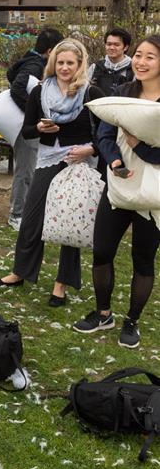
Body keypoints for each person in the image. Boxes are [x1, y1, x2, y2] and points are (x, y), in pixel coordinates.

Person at [0, 40, 102, 305]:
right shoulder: (40, 92)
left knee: (70, 222)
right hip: (48, 158)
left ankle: (61, 284)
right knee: (31, 218)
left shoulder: (91, 93)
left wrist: (88, 151)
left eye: (70, 63)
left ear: (79, 65)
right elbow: (27, 130)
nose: (64, 68)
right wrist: (39, 128)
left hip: (78, 162)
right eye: (60, 62)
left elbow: (106, 134)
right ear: (53, 63)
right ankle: (20, 272)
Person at [73, 35, 160, 348]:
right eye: (138, 55)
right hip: (119, 184)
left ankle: (132, 321)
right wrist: (115, 160)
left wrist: (144, 150)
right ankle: (103, 312)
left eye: (150, 56)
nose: (141, 61)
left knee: (143, 259)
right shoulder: (122, 93)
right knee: (102, 250)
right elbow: (105, 135)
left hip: (153, 195)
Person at [6, 27, 62, 230]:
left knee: (32, 168)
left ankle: (26, 210)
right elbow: (17, 88)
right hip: (26, 126)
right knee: (26, 170)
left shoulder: (31, 61)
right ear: (50, 50)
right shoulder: (34, 65)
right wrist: (33, 112)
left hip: (29, 125)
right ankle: (17, 214)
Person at [88, 27, 134, 96]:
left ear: (125, 47)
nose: (112, 48)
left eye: (116, 45)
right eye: (109, 44)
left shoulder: (133, 70)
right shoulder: (95, 67)